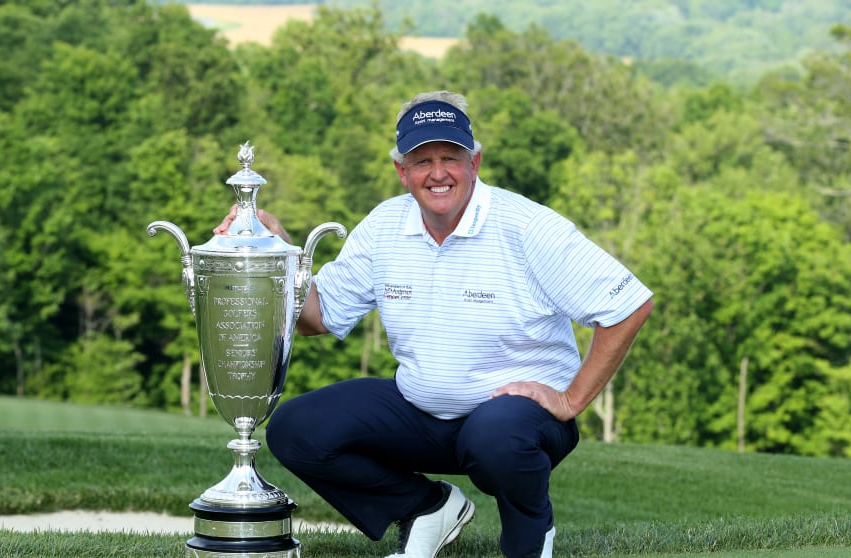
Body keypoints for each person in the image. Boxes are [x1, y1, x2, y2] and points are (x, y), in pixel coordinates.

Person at [214, 90, 653, 558]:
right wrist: (280, 253)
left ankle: (530, 535)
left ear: (474, 163)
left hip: (519, 422)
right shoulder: (385, 225)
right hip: (423, 412)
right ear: (402, 171)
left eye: (450, 158)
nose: (437, 173)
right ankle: (427, 508)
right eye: (422, 161)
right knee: (297, 428)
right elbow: (316, 317)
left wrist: (569, 400)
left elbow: (629, 305)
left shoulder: (528, 226)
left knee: (495, 436)